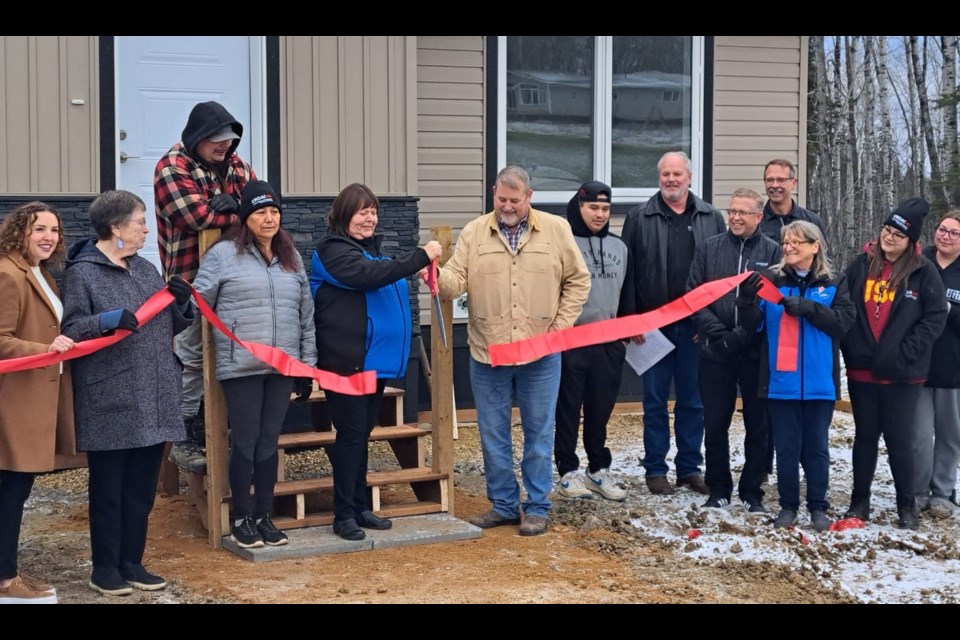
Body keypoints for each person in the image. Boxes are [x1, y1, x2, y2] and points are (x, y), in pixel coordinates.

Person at [437, 166, 590, 536]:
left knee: (539, 434)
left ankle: (537, 507)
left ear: (529, 197)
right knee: (492, 433)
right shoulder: (475, 232)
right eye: (501, 199)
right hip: (488, 354)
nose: (507, 206)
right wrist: (433, 273)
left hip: (541, 355)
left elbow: (578, 280)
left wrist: (558, 330)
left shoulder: (556, 230)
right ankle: (504, 505)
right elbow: (455, 280)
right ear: (493, 194)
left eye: (514, 200)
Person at [62, 190, 195, 595]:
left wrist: (182, 306)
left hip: (154, 392)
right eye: (140, 221)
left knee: (140, 489)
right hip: (111, 397)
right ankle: (104, 568)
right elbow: (70, 329)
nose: (145, 229)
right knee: (109, 489)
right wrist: (105, 320)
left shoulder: (146, 269)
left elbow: (165, 327)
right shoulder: (82, 273)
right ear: (116, 226)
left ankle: (132, 562)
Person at [311, 183, 442, 541]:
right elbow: (365, 277)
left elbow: (383, 272)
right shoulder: (332, 251)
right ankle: (343, 515)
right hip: (345, 362)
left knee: (362, 434)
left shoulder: (371, 253)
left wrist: (414, 271)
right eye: (361, 212)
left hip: (371, 362)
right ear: (343, 215)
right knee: (351, 436)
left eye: (372, 211)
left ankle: (358, 506)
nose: (369, 218)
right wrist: (419, 257)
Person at [193, 180, 317, 549]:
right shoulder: (223, 255)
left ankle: (265, 515)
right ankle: (242, 517)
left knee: (269, 443)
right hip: (242, 365)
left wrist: (306, 367)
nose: (269, 218)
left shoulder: (289, 255)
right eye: (261, 212)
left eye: (274, 211)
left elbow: (305, 312)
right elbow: (199, 302)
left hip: (282, 365)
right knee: (245, 442)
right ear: (245, 218)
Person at [155, 100, 257, 474]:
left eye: (228, 140)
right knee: (193, 356)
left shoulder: (239, 167)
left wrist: (235, 207)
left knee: (234, 355)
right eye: (216, 140)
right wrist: (236, 210)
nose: (223, 147)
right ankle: (182, 435)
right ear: (197, 138)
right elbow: (194, 216)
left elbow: (263, 209)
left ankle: (224, 431)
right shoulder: (171, 167)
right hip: (190, 281)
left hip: (238, 278)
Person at [621, 151, 725, 495]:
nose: (671, 179)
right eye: (665, 174)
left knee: (693, 401)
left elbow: (719, 275)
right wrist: (631, 319)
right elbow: (628, 271)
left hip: (696, 328)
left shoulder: (712, 217)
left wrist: (710, 322)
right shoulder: (639, 217)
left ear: (690, 177)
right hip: (652, 327)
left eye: (677, 174)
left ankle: (689, 468)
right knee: (654, 401)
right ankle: (655, 469)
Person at [841, 198, 947, 530]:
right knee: (865, 437)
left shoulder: (922, 271)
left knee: (901, 441)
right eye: (887, 230)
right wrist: (853, 346)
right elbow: (843, 307)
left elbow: (935, 317)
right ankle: (859, 502)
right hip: (863, 369)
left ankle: (906, 506)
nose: (889, 238)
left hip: (902, 374)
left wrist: (906, 353)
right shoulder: (860, 265)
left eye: (898, 235)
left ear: (910, 241)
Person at [743, 221, 855, 531]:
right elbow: (754, 326)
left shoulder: (834, 282)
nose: (789, 247)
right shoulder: (772, 280)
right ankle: (788, 506)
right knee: (787, 449)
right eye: (786, 242)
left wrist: (809, 308)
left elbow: (843, 322)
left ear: (815, 246)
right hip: (781, 383)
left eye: (796, 242)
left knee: (816, 448)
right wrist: (746, 300)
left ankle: (818, 506)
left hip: (820, 384)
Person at [687, 188, 781, 513]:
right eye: (732, 211)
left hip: (756, 353)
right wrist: (719, 334)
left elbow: (773, 304)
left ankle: (752, 491)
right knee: (715, 423)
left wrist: (742, 335)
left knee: (759, 425)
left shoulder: (773, 252)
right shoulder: (709, 249)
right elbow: (694, 297)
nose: (736, 217)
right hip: (715, 352)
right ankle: (718, 488)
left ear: (759, 216)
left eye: (743, 212)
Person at [0, 203, 76, 604]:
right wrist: (45, 348)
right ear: (19, 232)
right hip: (14, 400)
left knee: (15, 489)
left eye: (55, 230)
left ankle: (6, 569)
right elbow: (0, 339)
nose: (49, 236)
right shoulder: (8, 274)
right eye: (39, 229)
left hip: (33, 397)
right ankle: (6, 580)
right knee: (11, 489)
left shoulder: (39, 273)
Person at [554, 181, 629, 502]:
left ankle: (598, 469)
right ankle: (568, 471)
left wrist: (624, 332)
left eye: (605, 209)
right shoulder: (563, 243)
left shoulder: (620, 247)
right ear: (579, 207)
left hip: (608, 342)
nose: (600, 214)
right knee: (568, 410)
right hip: (571, 340)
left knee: (601, 410)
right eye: (593, 208)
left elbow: (628, 293)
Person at [914, 210, 960, 518]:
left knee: (950, 434)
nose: (945, 236)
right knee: (917, 435)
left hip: (954, 367)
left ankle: (942, 492)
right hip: (918, 365)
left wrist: (946, 311)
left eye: (954, 233)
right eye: (942, 229)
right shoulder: (919, 263)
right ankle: (916, 491)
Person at [759, 159, 824, 244]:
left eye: (781, 180)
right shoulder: (756, 222)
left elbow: (823, 256)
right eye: (770, 180)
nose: (774, 185)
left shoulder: (811, 221)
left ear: (793, 183)